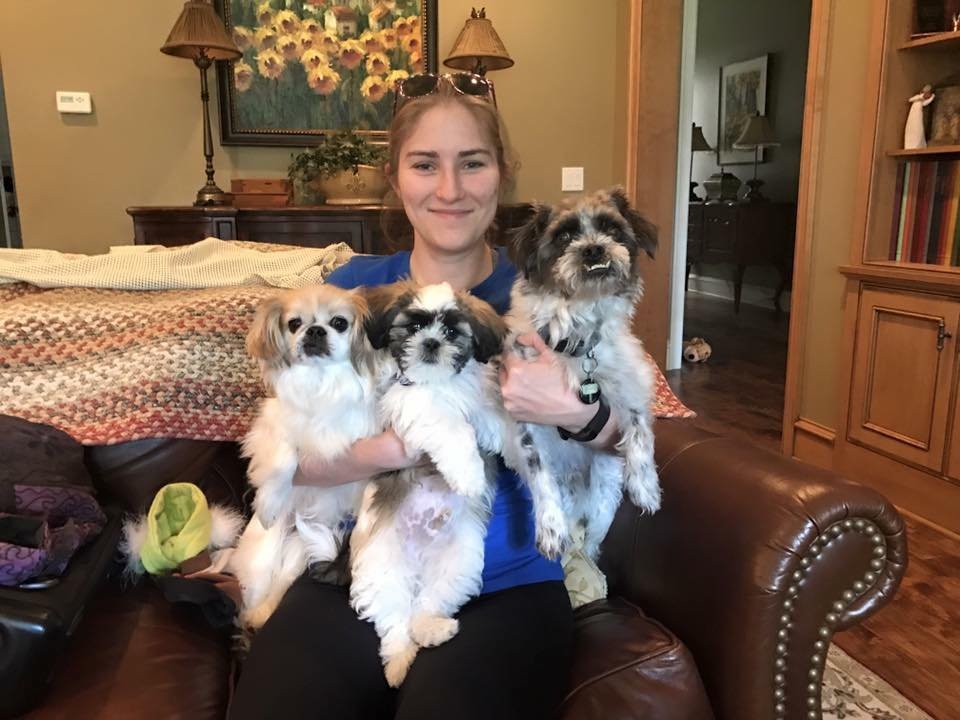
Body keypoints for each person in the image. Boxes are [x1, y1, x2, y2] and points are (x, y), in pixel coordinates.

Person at [229, 73, 620, 720]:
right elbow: (290, 455)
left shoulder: (547, 302)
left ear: (502, 172)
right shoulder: (350, 297)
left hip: (508, 582)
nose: (449, 189)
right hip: (357, 571)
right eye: (424, 165)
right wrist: (392, 450)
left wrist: (577, 410)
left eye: (472, 163)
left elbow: (627, 440)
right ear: (395, 177)